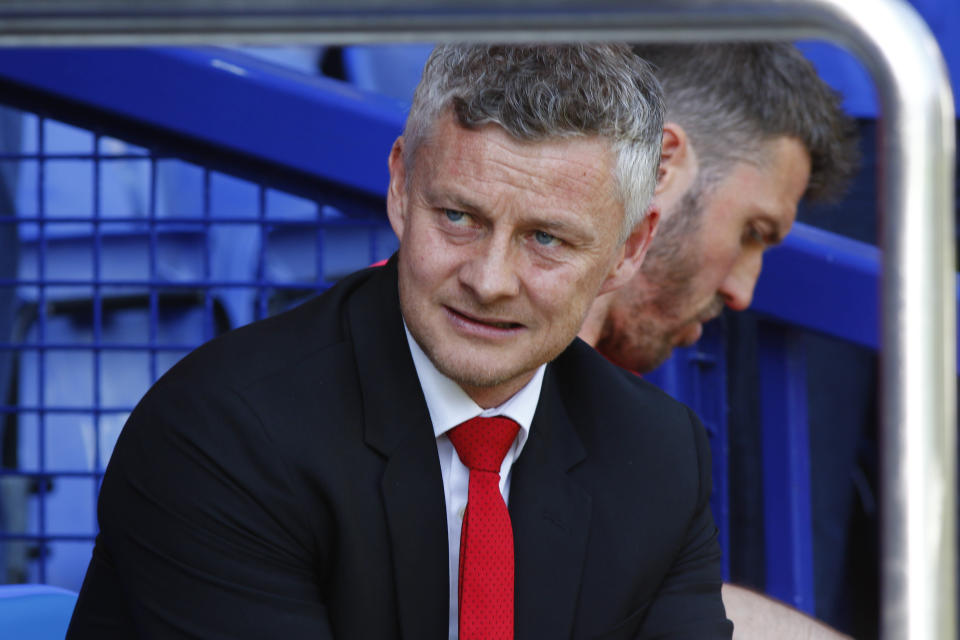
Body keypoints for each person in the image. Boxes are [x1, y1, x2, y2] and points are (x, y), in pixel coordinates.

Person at [66, 44, 733, 639]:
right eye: (458, 217)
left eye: (546, 239)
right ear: (401, 188)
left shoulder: (659, 452)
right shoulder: (223, 432)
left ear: (629, 249)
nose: (490, 280)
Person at [578, 43, 860, 640]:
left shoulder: (642, 424)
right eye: (751, 233)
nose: (743, 292)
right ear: (660, 167)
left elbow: (665, 611)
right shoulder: (461, 342)